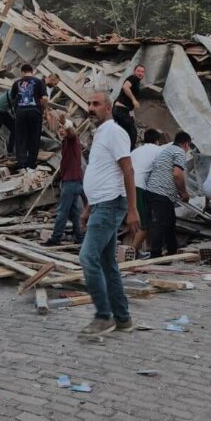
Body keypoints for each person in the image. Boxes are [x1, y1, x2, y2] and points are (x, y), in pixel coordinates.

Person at [77, 91, 139, 337]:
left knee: (87, 258)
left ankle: (103, 316)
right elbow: (103, 174)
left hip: (110, 204)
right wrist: (88, 208)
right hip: (101, 204)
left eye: (96, 104)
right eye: (89, 103)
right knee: (107, 264)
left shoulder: (114, 132)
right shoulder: (100, 133)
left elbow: (128, 170)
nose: (91, 108)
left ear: (108, 108)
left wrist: (133, 209)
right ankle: (122, 319)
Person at [145, 131, 192, 258]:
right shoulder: (179, 152)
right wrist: (184, 192)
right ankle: (155, 255)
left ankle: (172, 250)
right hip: (161, 192)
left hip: (155, 190)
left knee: (170, 222)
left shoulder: (167, 150)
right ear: (186, 144)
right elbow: (177, 174)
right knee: (160, 224)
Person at [46, 119, 84, 246]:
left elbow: (72, 133)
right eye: (60, 128)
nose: (61, 130)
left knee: (62, 212)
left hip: (71, 182)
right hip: (74, 181)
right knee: (75, 212)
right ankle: (80, 237)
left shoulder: (73, 139)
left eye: (63, 128)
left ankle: (55, 238)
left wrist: (67, 124)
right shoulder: (66, 142)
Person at [129, 129, 164, 259]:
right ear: (157, 141)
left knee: (135, 221)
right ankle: (132, 252)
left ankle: (136, 251)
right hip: (139, 186)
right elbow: (161, 171)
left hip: (126, 185)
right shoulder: (158, 150)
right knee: (145, 223)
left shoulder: (136, 151)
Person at [10, 64, 48, 170]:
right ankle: (31, 163)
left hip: (21, 112)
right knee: (34, 137)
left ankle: (22, 163)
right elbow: (45, 98)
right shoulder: (39, 82)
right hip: (35, 112)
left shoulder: (16, 83)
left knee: (20, 137)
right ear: (32, 71)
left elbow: (13, 98)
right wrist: (43, 109)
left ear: (22, 72)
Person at [112, 65, 145, 148]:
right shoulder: (133, 78)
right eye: (138, 71)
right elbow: (125, 87)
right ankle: (130, 153)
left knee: (122, 133)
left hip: (120, 110)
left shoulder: (137, 82)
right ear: (134, 71)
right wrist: (134, 100)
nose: (140, 73)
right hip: (121, 110)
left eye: (142, 71)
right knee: (132, 133)